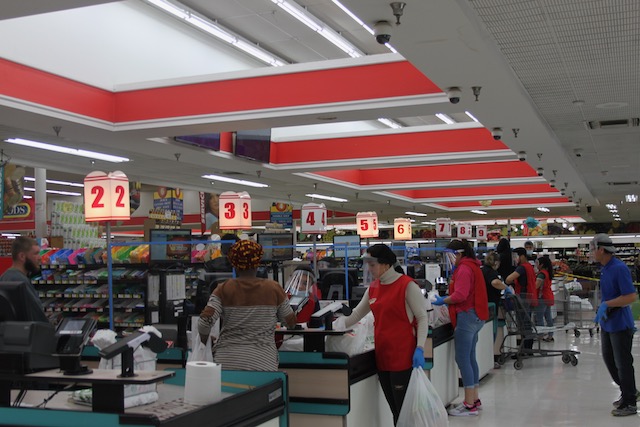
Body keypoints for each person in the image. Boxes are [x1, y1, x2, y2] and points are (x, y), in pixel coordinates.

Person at [339, 244, 428, 425]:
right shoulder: (373, 288)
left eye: (372, 265)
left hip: (402, 356)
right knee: (395, 409)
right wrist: (331, 325)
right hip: (382, 355)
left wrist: (420, 347)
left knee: (403, 409)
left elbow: (422, 318)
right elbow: (356, 315)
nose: (369, 269)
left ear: (386, 264)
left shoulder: (407, 286)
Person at [198, 240, 296, 371]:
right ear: (258, 262)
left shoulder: (223, 288)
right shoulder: (274, 288)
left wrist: (205, 340)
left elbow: (204, 322)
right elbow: (290, 322)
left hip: (227, 361)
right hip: (263, 363)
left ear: (233, 263)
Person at [432, 239, 489, 416]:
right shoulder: (473, 266)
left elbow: (460, 295)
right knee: (470, 358)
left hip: (467, 315)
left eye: (451, 255)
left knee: (463, 359)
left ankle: (469, 404)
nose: (450, 259)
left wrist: (443, 300)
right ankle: (474, 398)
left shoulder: (464, 269)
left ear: (459, 254)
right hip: (477, 316)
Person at [591, 234, 639, 416]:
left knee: (623, 363)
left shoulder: (619, 268)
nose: (591, 252)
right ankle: (629, 391)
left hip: (620, 324)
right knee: (609, 360)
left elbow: (631, 296)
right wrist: (603, 308)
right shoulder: (604, 269)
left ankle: (630, 402)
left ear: (601, 249)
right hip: (608, 323)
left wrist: (607, 304)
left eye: (593, 249)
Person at [0, 236, 48, 322]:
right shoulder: (20, 281)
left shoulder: (5, 276)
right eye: (36, 253)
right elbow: (37, 316)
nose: (40, 258)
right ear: (22, 256)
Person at [480, 251, 512, 368]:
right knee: (491, 333)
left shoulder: (482, 270)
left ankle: (485, 360)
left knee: (485, 334)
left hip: (483, 304)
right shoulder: (491, 272)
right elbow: (495, 282)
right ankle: (490, 360)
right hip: (490, 306)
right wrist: (506, 288)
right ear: (496, 262)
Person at [505, 247, 538, 350]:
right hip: (529, 297)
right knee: (527, 323)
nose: (515, 259)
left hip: (523, 297)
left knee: (523, 324)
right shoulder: (530, 266)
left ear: (522, 256)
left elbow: (508, 279)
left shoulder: (521, 268)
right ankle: (527, 347)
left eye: (516, 256)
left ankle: (526, 348)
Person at [534, 256, 555, 342]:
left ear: (541, 264)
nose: (536, 265)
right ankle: (550, 335)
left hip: (542, 297)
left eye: (537, 263)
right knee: (548, 317)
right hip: (548, 296)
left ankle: (540, 335)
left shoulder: (541, 274)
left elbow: (536, 286)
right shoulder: (547, 272)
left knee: (539, 318)